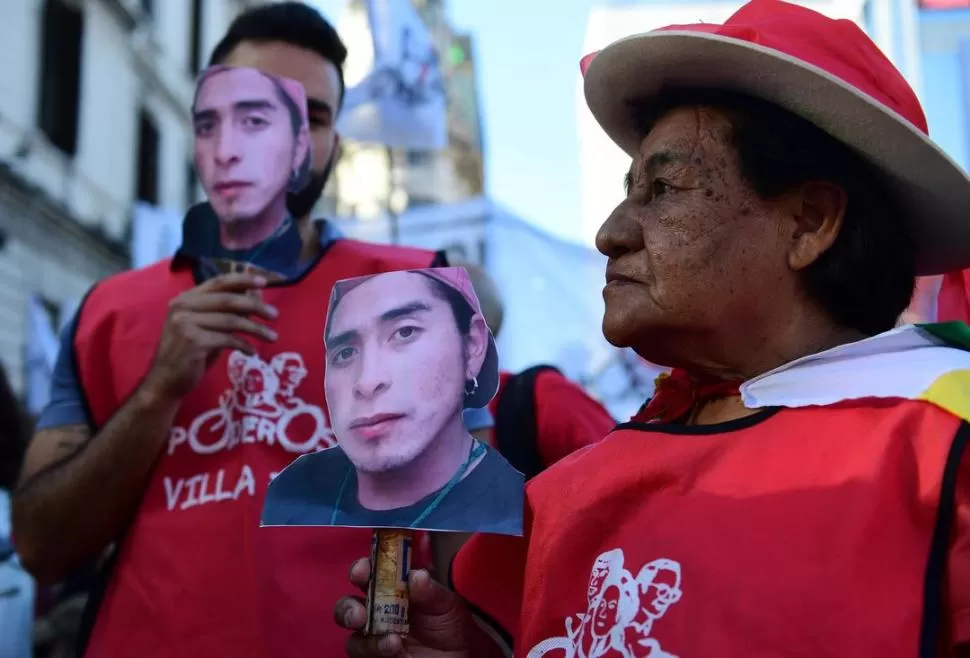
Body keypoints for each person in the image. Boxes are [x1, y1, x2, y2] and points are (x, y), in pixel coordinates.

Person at [333, 2, 970, 656]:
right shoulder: (568, 495)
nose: (610, 233)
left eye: (664, 189)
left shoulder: (943, 453)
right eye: (628, 189)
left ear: (809, 222)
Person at [10, 4, 492, 658]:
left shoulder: (426, 292)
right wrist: (158, 391)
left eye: (315, 116)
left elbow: (478, 558)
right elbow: (41, 549)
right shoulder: (108, 312)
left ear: (334, 146)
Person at [262, 268, 523, 534]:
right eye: (345, 352)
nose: (367, 380)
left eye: (405, 332)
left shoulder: (470, 436)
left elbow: (463, 550)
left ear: (473, 342)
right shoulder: (295, 486)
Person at [192, 66, 311, 249]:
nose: (224, 153)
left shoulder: (359, 272)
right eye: (206, 127)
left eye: (255, 121)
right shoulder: (145, 277)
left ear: (299, 146)